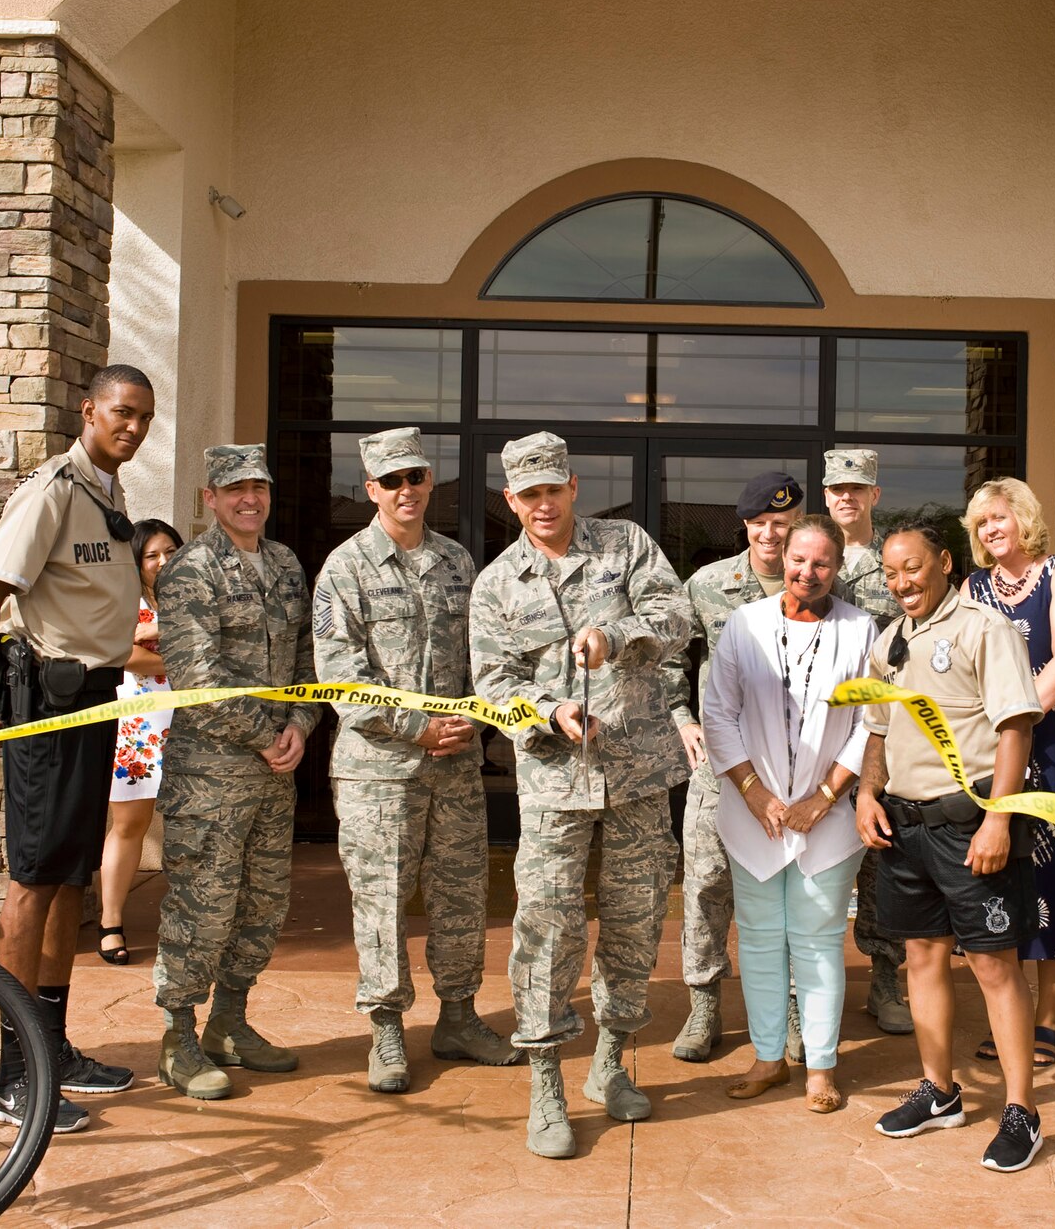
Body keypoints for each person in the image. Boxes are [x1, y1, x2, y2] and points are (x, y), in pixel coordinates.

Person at [469, 431, 692, 1160]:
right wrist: (548, 709)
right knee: (548, 929)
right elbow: (493, 683)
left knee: (633, 921)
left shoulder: (625, 545)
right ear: (511, 500)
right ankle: (546, 1085)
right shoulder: (497, 584)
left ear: (572, 487)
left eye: (552, 489)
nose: (542, 503)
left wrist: (616, 633)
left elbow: (676, 616)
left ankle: (608, 1064)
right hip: (554, 784)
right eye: (527, 493)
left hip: (636, 775)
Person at [0, 363, 155, 1133]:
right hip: (46, 701)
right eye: (121, 412)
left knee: (72, 876)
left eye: (143, 416)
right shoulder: (50, 491)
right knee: (34, 881)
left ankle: (52, 1046)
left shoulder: (108, 494)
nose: (132, 426)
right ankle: (12, 1074)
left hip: (95, 699)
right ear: (89, 411)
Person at [312, 427, 521, 1095]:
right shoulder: (345, 568)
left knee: (462, 896)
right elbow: (339, 675)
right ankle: (386, 1027)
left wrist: (483, 717)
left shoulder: (458, 562)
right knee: (382, 902)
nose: (407, 490)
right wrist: (416, 726)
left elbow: (482, 656)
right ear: (371, 488)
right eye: (392, 480)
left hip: (455, 766)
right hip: (379, 770)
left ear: (429, 481)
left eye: (416, 477)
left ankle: (457, 1015)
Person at [855, 520, 1047, 1174]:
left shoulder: (984, 629)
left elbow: (1016, 728)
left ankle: (1021, 1109)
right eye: (890, 572)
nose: (900, 582)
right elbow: (877, 729)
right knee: (921, 958)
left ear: (943, 562)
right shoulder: (890, 642)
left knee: (994, 966)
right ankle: (940, 1090)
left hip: (972, 825)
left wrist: (999, 819)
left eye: (911, 567)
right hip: (905, 831)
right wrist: (866, 794)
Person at [150, 444, 317, 1100]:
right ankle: (178, 1036)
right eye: (236, 488)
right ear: (209, 499)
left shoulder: (284, 565)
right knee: (203, 907)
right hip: (211, 775)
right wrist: (267, 733)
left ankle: (229, 1021)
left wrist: (300, 727)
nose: (251, 498)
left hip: (274, 774)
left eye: (260, 486)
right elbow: (198, 676)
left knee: (263, 905)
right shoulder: (191, 571)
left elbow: (309, 658)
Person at [701, 515, 878, 1113]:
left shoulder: (860, 630)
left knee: (819, 940)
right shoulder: (742, 624)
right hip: (753, 816)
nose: (807, 572)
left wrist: (822, 799)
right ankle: (769, 1057)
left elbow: (868, 725)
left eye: (821, 563)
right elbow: (718, 714)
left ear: (837, 568)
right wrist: (754, 794)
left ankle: (821, 1067)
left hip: (825, 820)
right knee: (757, 939)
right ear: (781, 557)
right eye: (798, 559)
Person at [961, 478, 1055, 1066]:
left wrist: (1015, 716)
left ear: (1024, 518)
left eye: (999, 518)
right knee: (1006, 879)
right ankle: (1009, 1011)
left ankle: (1048, 1016)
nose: (991, 530)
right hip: (992, 751)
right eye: (981, 523)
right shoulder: (971, 587)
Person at [668, 469, 804, 1064]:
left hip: (796, 767)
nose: (772, 534)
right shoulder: (706, 586)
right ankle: (704, 1006)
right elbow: (669, 661)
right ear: (744, 525)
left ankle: (797, 1009)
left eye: (784, 522)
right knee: (705, 885)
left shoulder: (824, 581)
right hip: (720, 769)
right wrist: (681, 718)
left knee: (794, 886)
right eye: (762, 523)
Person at [823, 448, 911, 1036]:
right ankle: (815, 993)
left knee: (884, 863)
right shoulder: (806, 558)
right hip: (817, 742)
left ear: (874, 495)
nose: (846, 497)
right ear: (825, 495)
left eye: (857, 488)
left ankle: (886, 980)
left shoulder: (896, 565)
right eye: (836, 489)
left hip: (885, 738)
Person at [99, 519, 183, 965]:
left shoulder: (194, 595)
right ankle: (111, 923)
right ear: (136, 561)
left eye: (170, 550)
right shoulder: (121, 600)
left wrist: (154, 637)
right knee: (129, 825)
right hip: (140, 726)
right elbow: (121, 653)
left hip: (194, 723)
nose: (163, 561)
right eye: (152, 555)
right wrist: (178, 652)